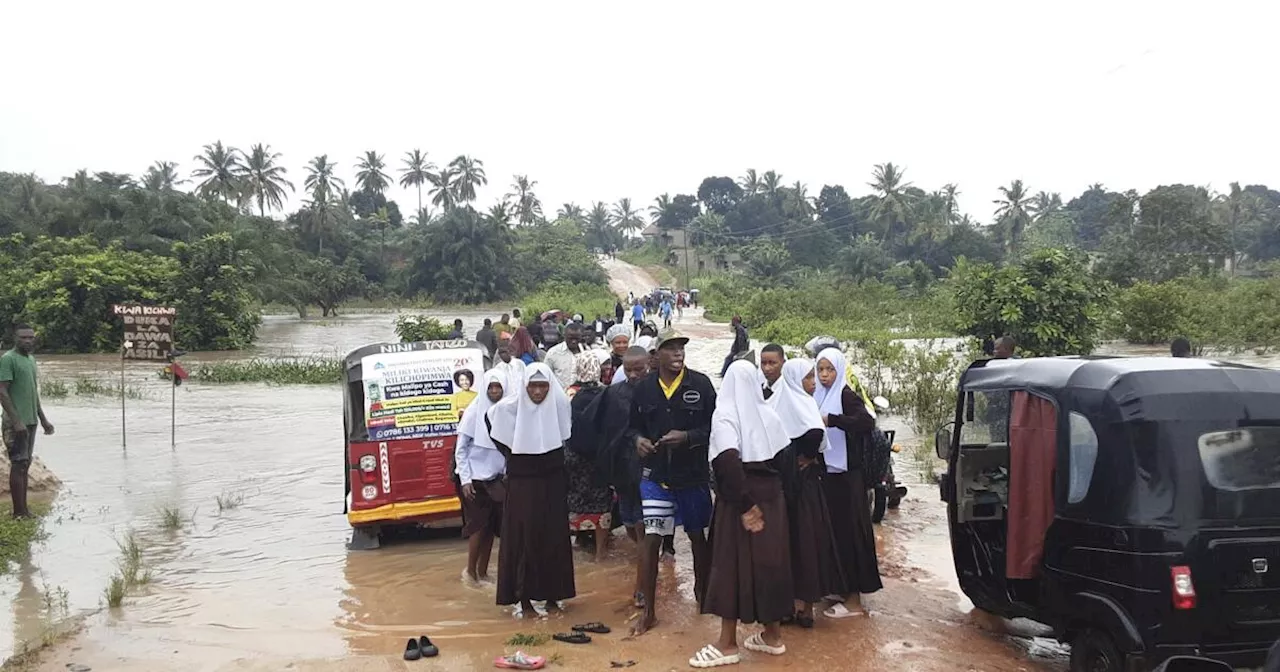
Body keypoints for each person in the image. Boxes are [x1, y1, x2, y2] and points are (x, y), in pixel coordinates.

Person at [691, 359, 793, 668]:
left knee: (729, 567)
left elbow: (727, 463)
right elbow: (786, 463)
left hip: (739, 502)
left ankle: (726, 644)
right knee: (769, 565)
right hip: (772, 499)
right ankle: (772, 636)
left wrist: (746, 505)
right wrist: (769, 501)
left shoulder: (725, 416)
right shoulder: (770, 414)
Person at [627, 334, 717, 636]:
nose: (678, 353)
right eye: (671, 349)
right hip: (655, 477)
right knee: (651, 540)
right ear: (658, 356)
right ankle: (650, 612)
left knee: (697, 538)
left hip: (692, 477)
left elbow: (716, 427)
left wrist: (688, 437)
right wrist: (638, 440)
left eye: (681, 349)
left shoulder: (701, 385)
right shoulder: (643, 388)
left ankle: (703, 597)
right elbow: (632, 427)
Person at [486, 363, 575, 617]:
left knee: (554, 539)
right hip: (522, 486)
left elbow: (564, 442)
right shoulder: (506, 411)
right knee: (523, 540)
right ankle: (523, 601)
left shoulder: (559, 407)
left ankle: (553, 598)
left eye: (543, 386)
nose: (538, 392)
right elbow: (500, 438)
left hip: (553, 486)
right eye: (533, 386)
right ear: (524, 387)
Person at [812, 348, 881, 618]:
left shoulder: (845, 395)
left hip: (848, 476)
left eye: (830, 370)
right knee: (833, 533)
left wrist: (834, 421)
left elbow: (866, 421)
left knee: (851, 533)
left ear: (839, 369)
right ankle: (839, 587)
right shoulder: (819, 395)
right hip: (829, 474)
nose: (825, 375)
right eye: (821, 370)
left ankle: (854, 601)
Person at [771, 358, 840, 628]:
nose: (813, 382)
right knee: (802, 542)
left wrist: (802, 457)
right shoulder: (800, 405)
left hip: (793, 487)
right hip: (801, 488)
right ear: (795, 379)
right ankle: (800, 607)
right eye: (809, 377)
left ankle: (799, 607)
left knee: (796, 542)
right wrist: (807, 457)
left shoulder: (783, 403)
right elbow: (813, 436)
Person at [455, 371, 507, 585]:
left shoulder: (506, 411)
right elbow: (461, 450)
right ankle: (470, 573)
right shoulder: (473, 412)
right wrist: (465, 479)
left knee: (491, 529)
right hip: (474, 480)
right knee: (478, 527)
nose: (494, 391)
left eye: (498, 387)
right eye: (491, 387)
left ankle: (483, 572)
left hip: (496, 480)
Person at [0, 325, 53, 520]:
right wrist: (16, 421)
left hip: (31, 421)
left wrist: (44, 419)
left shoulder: (31, 360)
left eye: (31, 338)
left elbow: (33, 393)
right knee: (18, 463)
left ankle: (24, 510)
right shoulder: (8, 359)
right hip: (16, 423)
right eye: (24, 338)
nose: (28, 341)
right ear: (15, 338)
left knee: (26, 464)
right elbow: (2, 392)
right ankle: (18, 512)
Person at [565, 352, 614, 561]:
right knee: (602, 502)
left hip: (574, 456)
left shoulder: (568, 394)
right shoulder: (607, 393)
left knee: (575, 500)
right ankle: (601, 553)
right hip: (600, 457)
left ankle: (577, 545)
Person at [545, 323, 586, 390]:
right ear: (564, 336)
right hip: (558, 396)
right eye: (570, 338)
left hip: (580, 397)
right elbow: (546, 376)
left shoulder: (586, 353)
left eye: (577, 338)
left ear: (581, 337)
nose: (573, 341)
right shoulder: (553, 353)